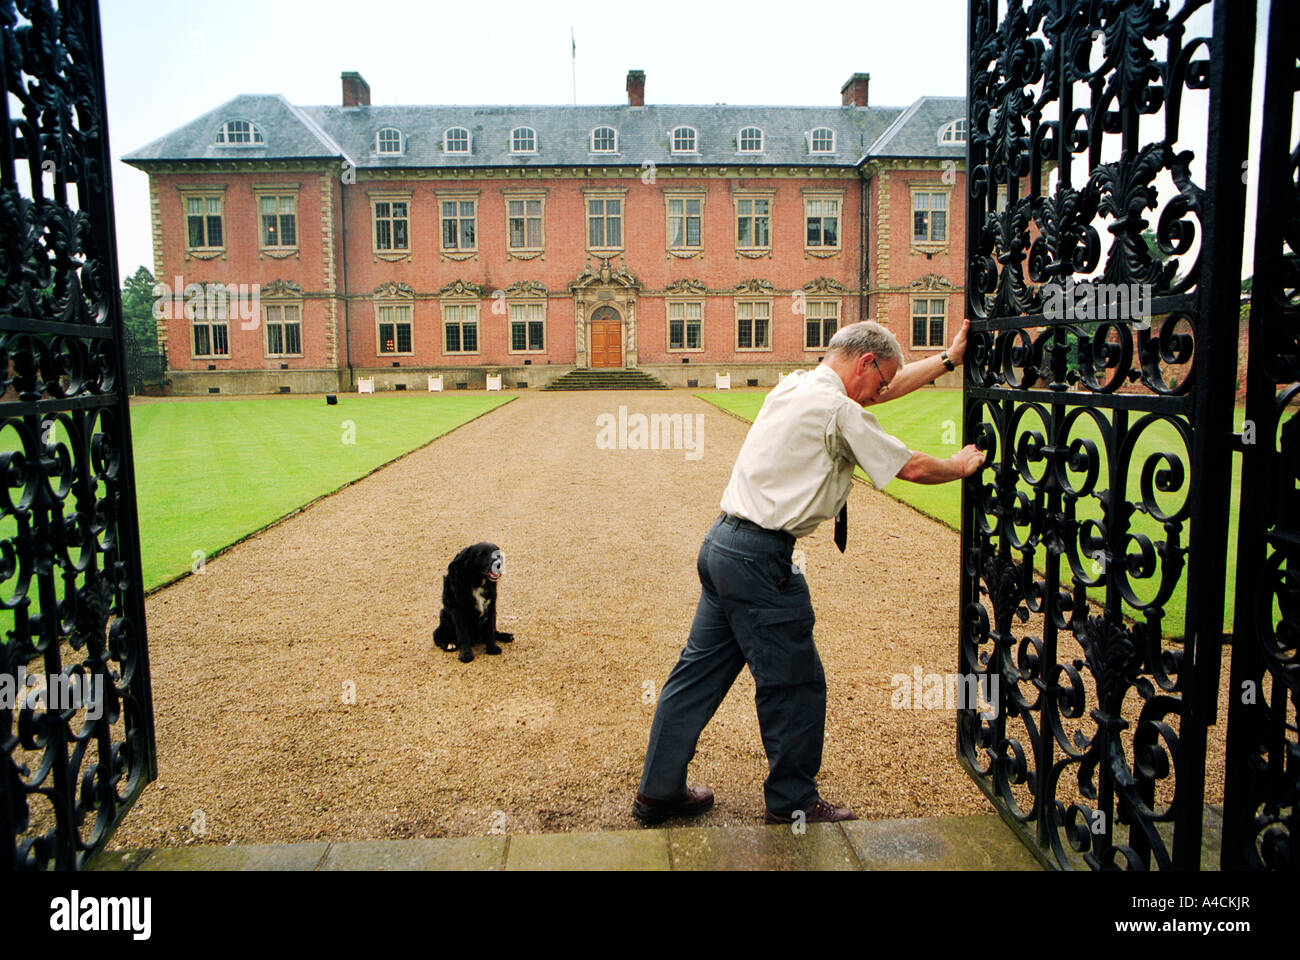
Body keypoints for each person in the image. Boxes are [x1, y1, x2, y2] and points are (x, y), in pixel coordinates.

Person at [632, 319, 985, 826]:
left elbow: (873, 398)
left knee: (695, 677)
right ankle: (793, 801)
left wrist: (948, 361)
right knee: (795, 683)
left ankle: (657, 791)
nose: (881, 391)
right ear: (864, 362)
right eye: (881, 378)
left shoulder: (795, 383)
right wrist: (957, 465)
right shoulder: (838, 409)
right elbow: (908, 467)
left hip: (722, 546)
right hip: (761, 562)